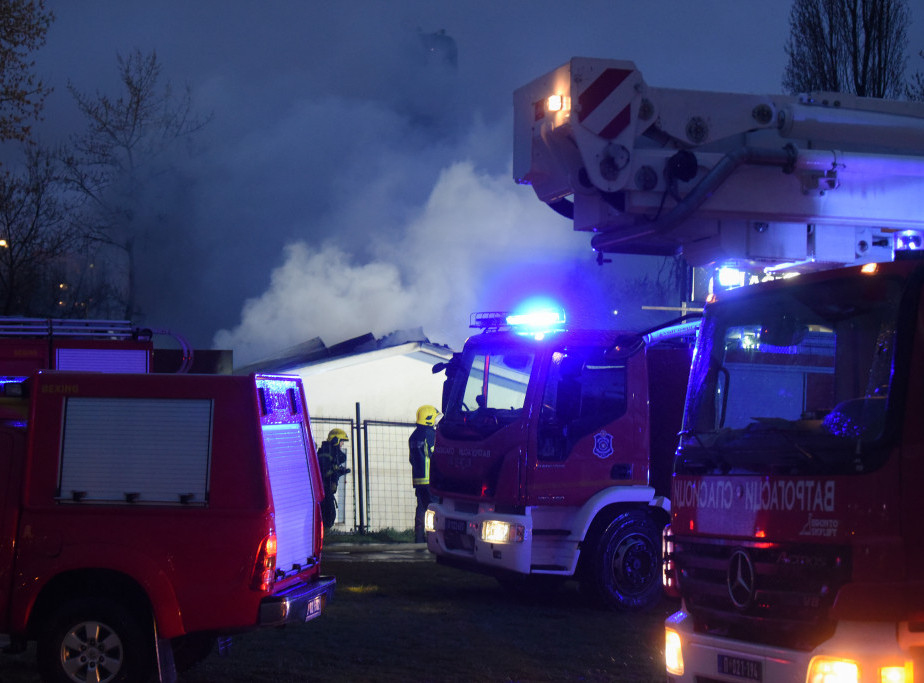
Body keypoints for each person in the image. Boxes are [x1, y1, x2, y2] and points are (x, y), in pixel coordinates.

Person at [409, 404, 440, 543]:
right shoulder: (430, 434)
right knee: (435, 509)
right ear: (429, 419)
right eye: (434, 418)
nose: (435, 421)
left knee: (421, 508)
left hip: (418, 480)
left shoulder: (413, 436)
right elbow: (435, 455)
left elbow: (411, 459)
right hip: (431, 479)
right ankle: (435, 538)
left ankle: (419, 539)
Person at [317, 428, 351, 529]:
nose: (342, 444)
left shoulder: (329, 451)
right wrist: (335, 472)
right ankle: (325, 531)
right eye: (341, 441)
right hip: (324, 488)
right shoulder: (327, 452)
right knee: (328, 514)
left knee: (329, 513)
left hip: (326, 488)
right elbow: (325, 471)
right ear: (335, 440)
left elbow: (331, 469)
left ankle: (325, 531)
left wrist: (340, 471)